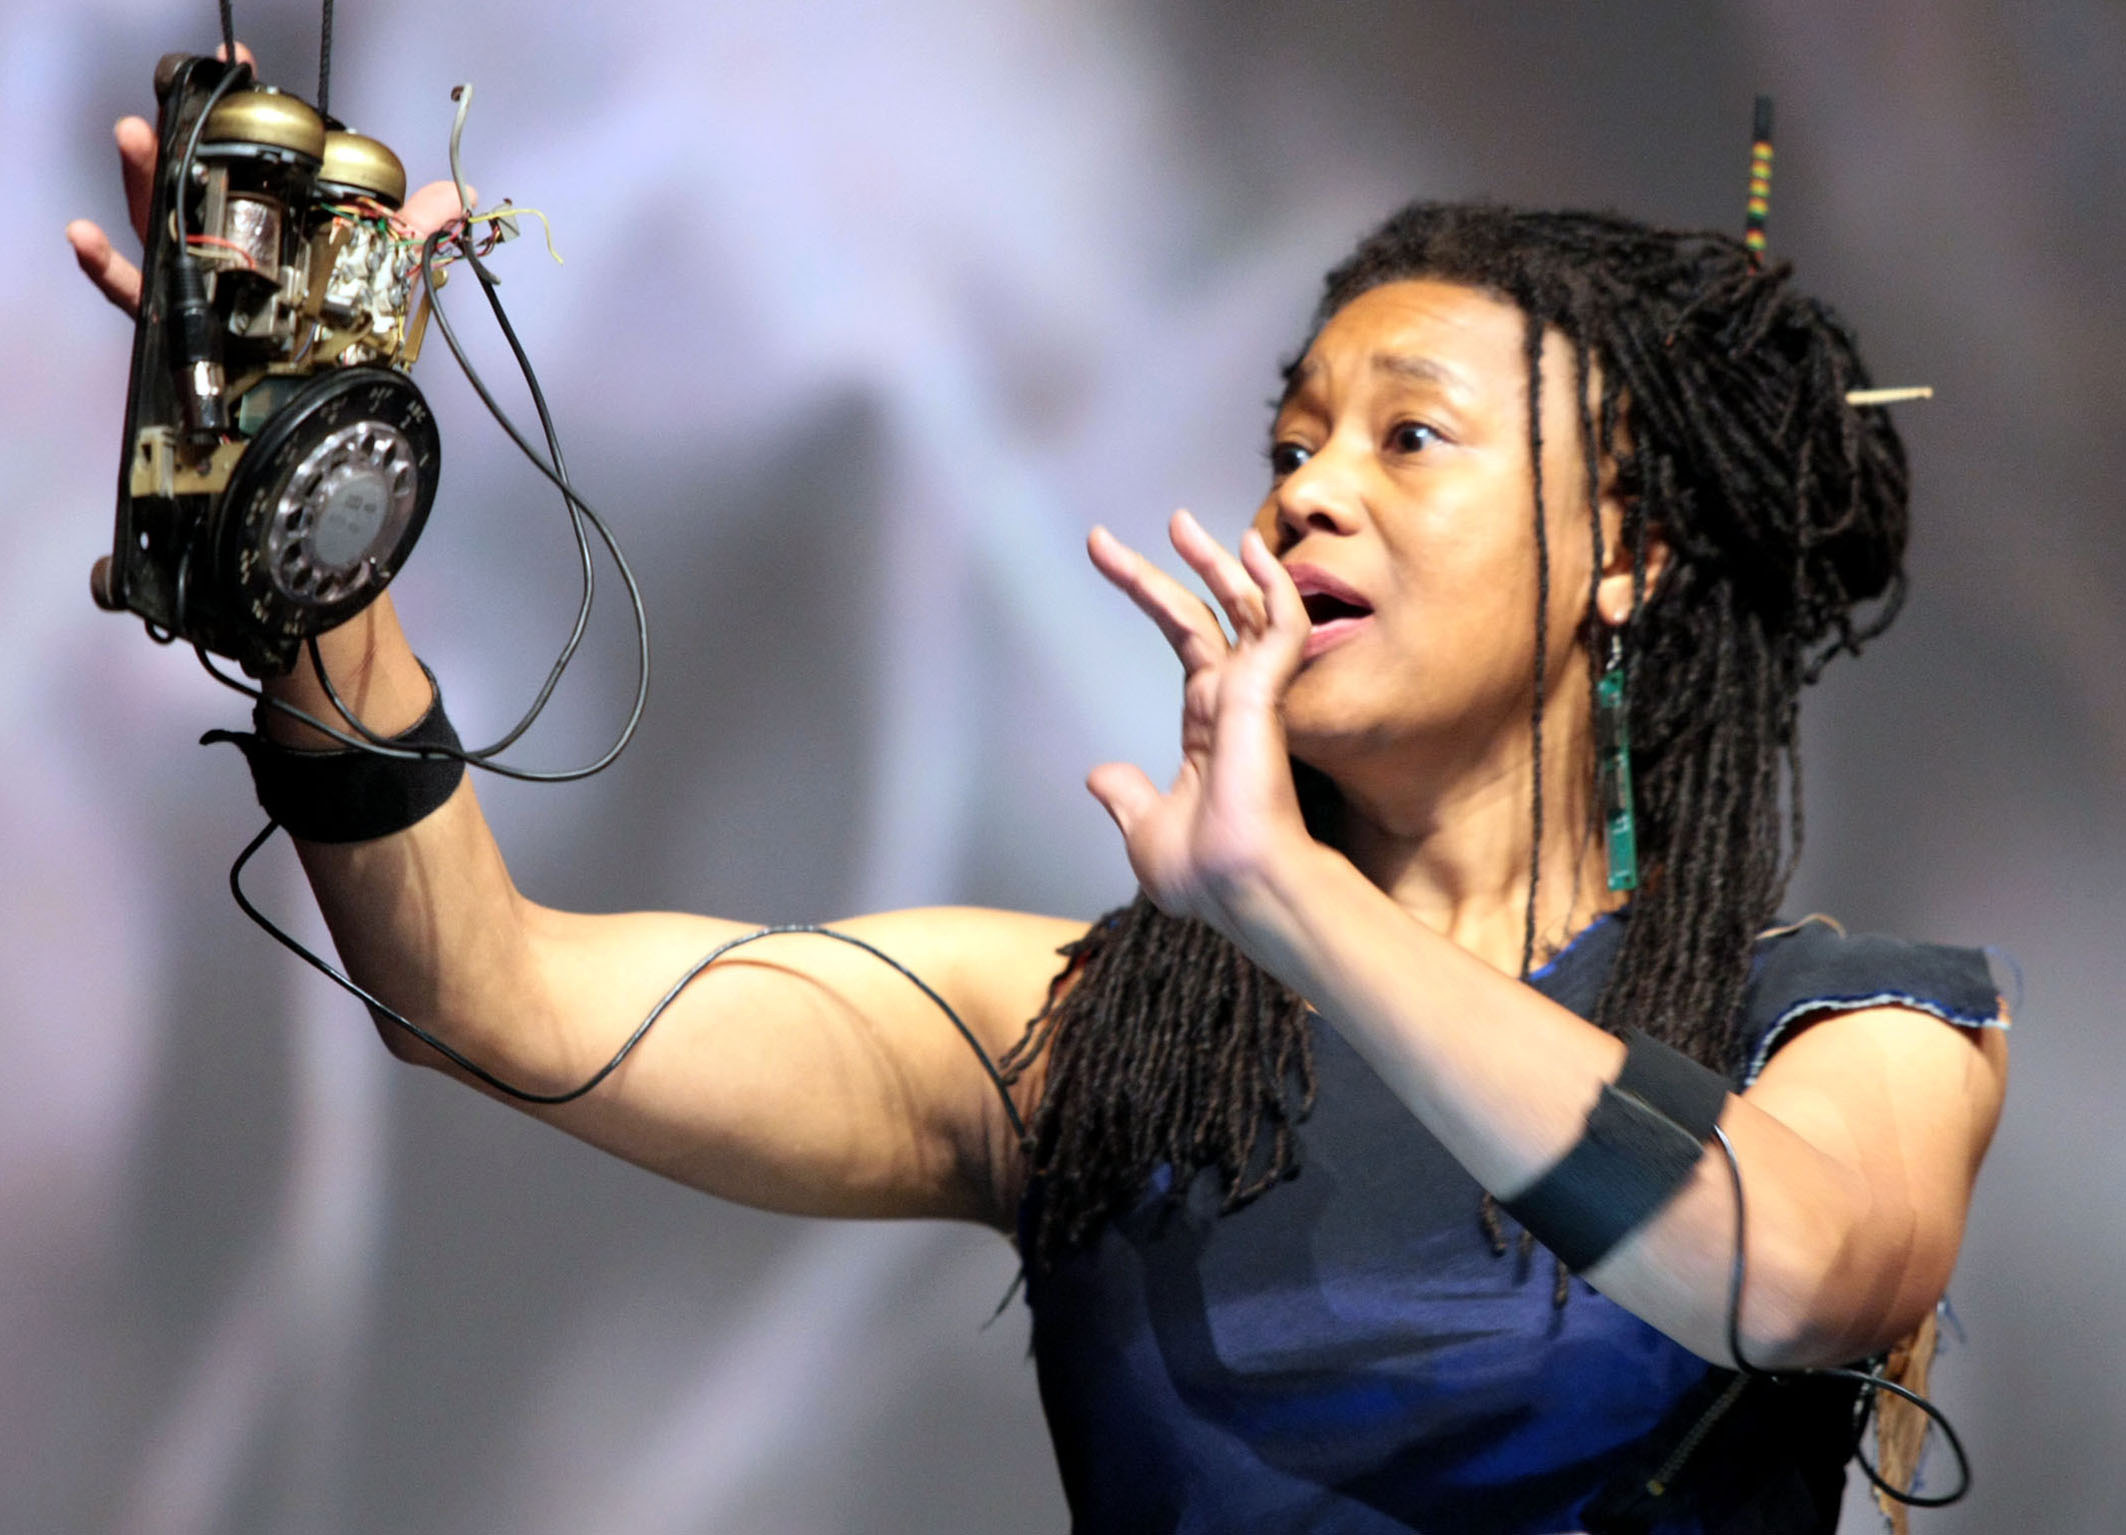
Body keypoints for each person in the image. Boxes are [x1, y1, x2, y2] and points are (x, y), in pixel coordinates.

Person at [73, 93, 2008, 1534]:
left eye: (1404, 436)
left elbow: (1787, 1268)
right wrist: (310, 534)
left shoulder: (1847, 1024)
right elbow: (488, 992)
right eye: (1287, 445)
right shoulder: (1083, 1037)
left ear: (1628, 557)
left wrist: (1298, 910)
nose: (1307, 493)